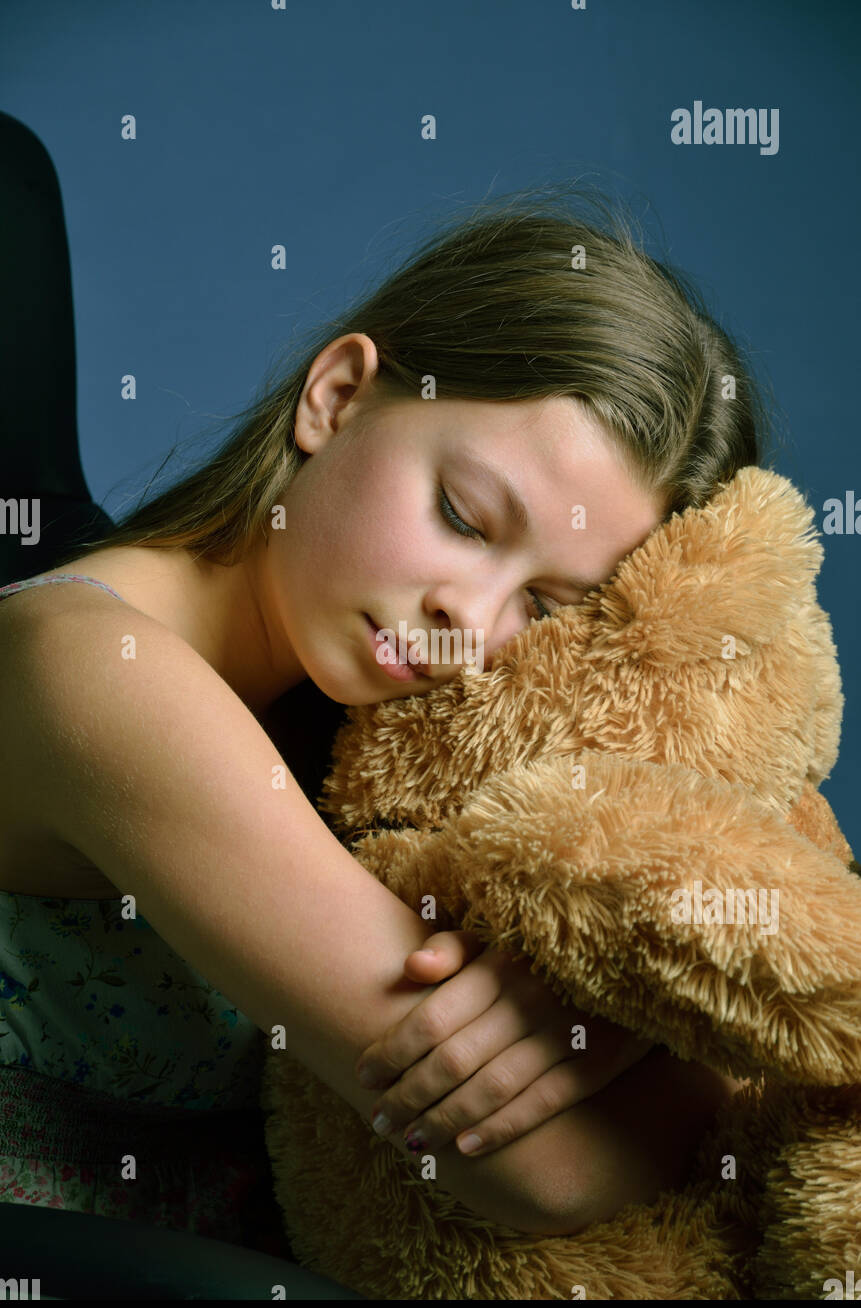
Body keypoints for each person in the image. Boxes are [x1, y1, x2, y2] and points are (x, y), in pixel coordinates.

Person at [0, 185, 762, 1249]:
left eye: (546, 605)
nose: (473, 617)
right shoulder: (100, 671)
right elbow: (532, 1169)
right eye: (464, 516)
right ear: (339, 395)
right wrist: (677, 1041)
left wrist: (610, 982)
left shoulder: (375, 732)